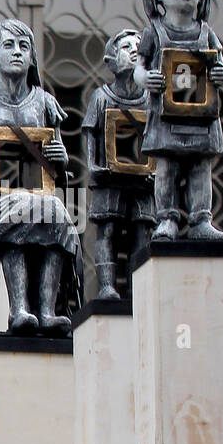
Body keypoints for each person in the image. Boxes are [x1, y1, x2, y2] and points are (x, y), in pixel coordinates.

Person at [0, 18, 80, 334]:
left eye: (24, 46)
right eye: (8, 45)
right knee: (23, 209)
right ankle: (19, 309)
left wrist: (60, 160)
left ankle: (47, 312)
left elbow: (58, 162)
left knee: (56, 211)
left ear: (33, 55)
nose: (17, 52)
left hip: (36, 196)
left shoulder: (45, 102)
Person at [135, 0, 223, 241]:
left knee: (201, 167)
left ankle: (201, 219)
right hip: (166, 116)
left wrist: (221, 74)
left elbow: (220, 64)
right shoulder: (155, 31)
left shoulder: (205, 32)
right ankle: (167, 218)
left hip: (200, 116)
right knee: (166, 167)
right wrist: (144, 78)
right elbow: (139, 65)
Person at [82, 29, 155, 298]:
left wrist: (155, 169)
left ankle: (138, 287)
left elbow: (155, 134)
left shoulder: (149, 98)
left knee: (141, 230)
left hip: (142, 180)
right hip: (108, 179)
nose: (134, 50)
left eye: (138, 46)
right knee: (108, 229)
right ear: (111, 59)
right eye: (125, 47)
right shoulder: (102, 96)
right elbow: (90, 131)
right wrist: (94, 165)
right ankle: (106, 285)